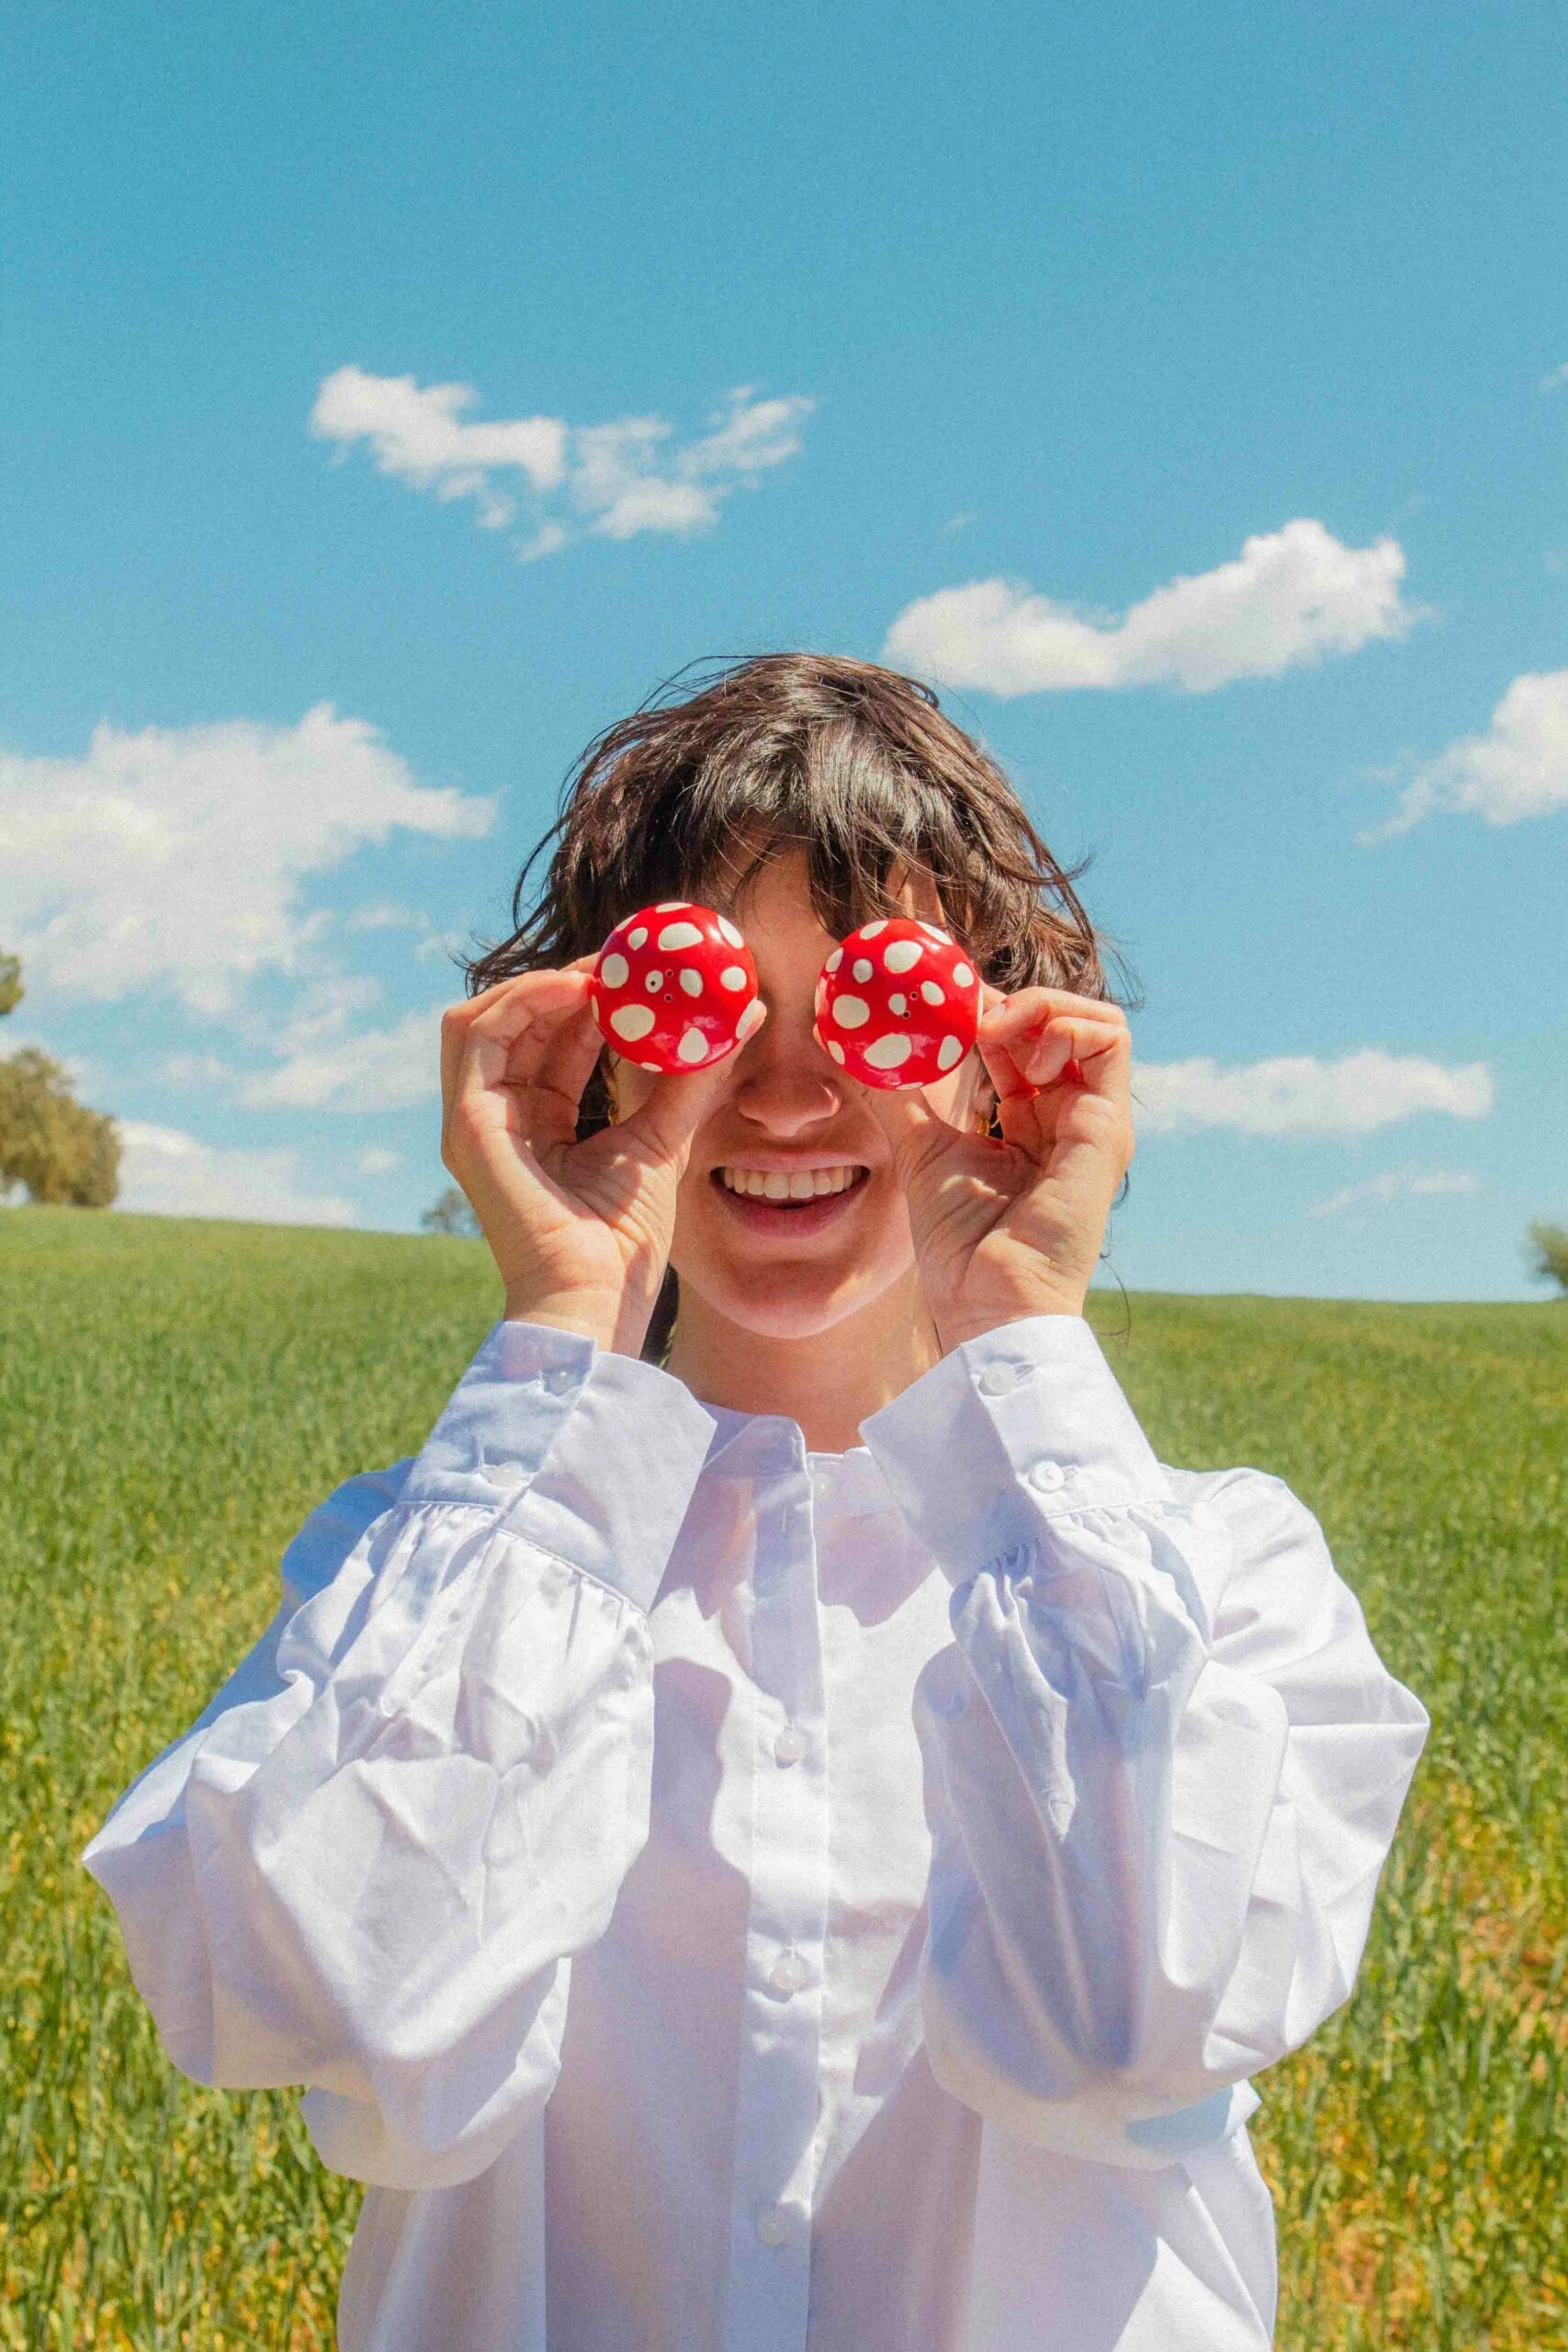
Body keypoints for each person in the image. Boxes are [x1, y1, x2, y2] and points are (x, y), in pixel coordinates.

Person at [85, 654, 1428, 2352]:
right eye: (708, 1015)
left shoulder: (1216, 1575)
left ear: (996, 1056)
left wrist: (1019, 1338)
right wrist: (565, 1323)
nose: (788, 1097)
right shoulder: (413, 1571)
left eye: (879, 1008)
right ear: (587, 1046)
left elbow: (1130, 2018)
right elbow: (339, 1995)